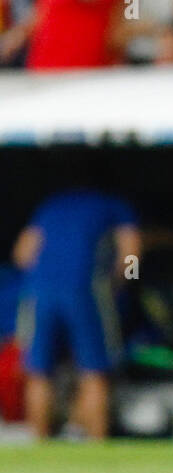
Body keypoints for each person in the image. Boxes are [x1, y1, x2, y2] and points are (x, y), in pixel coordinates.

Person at [12, 188, 141, 439]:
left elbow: (22, 254)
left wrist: (46, 274)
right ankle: (96, 447)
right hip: (86, 290)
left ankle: (39, 446)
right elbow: (131, 253)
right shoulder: (115, 204)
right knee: (95, 370)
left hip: (39, 292)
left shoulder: (51, 204)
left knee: (38, 371)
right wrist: (125, 283)